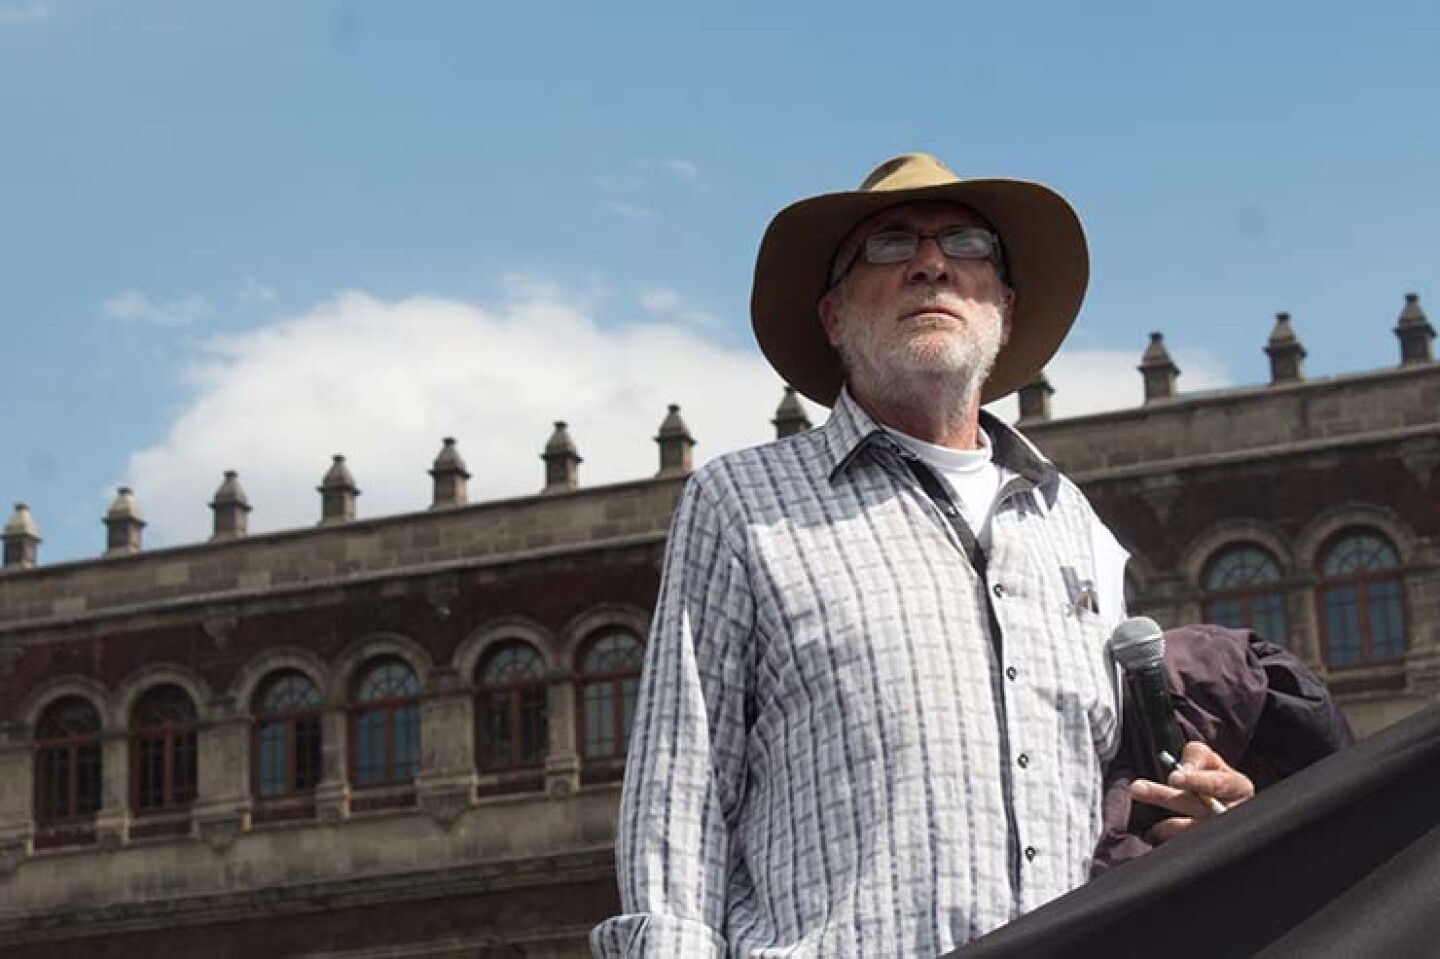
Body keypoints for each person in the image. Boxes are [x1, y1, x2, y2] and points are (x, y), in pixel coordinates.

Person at [590, 153, 1254, 958]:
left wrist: (1200, 810)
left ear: (1003, 306)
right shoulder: (743, 505)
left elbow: (1115, 798)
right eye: (889, 243)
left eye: (966, 244)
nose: (931, 264)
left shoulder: (1074, 525)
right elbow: (678, 803)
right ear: (833, 315)